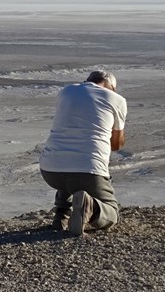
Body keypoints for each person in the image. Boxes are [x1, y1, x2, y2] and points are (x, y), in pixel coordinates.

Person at [39, 70, 127, 236]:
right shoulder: (116, 99)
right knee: (112, 213)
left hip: (50, 171)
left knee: (69, 161)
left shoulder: (66, 92)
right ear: (112, 87)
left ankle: (61, 215)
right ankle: (90, 207)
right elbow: (116, 145)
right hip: (89, 171)